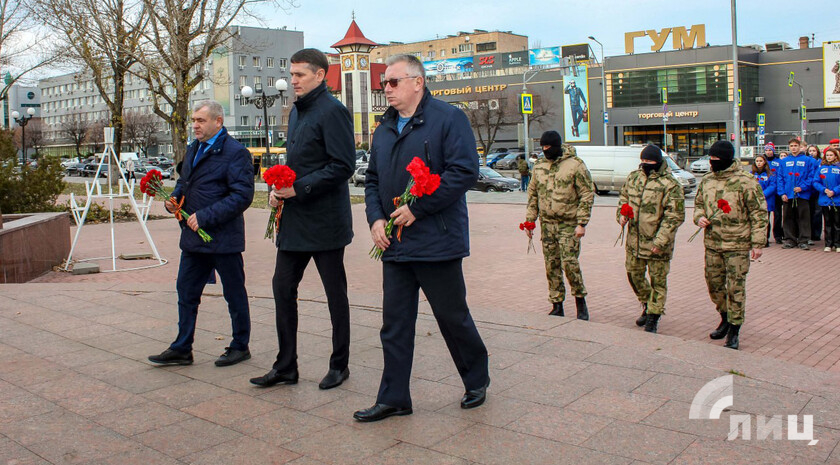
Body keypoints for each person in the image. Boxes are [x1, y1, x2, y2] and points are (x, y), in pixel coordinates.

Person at [354, 54, 489, 422]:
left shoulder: (449, 119)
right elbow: (372, 182)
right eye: (384, 83)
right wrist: (376, 219)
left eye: (394, 82)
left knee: (452, 317)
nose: (387, 89)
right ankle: (394, 397)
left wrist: (419, 208)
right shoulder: (383, 129)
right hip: (394, 245)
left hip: (437, 241)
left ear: (418, 82)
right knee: (394, 324)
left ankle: (476, 378)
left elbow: (463, 172)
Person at [249, 49, 356, 390]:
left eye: (299, 75)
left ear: (320, 75)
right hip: (295, 219)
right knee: (282, 287)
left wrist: (300, 187)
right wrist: (280, 188)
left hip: (325, 222)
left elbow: (343, 166)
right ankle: (286, 366)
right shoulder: (297, 112)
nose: (292, 80)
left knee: (334, 295)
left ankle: (340, 365)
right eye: (291, 74)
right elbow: (299, 162)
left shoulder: (334, 112)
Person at [148, 100, 255, 366]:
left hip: (223, 238)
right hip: (193, 237)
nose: (195, 125)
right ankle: (182, 347)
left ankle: (240, 346)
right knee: (186, 291)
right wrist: (173, 200)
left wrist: (206, 217)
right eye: (193, 120)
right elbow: (184, 182)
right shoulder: (193, 148)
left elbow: (243, 196)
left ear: (218, 122)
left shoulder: (235, 152)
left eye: (201, 120)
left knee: (234, 293)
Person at [694, 140, 768, 350]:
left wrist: (758, 243)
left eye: (716, 159)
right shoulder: (707, 180)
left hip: (737, 243)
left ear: (726, 159)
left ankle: (734, 329)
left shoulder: (746, 181)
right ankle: (725, 317)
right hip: (713, 242)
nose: (712, 163)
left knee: (735, 287)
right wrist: (699, 218)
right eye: (711, 159)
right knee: (714, 285)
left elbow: (759, 213)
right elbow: (699, 204)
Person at [525, 130, 594, 319]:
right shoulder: (539, 167)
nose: (545, 151)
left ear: (557, 146)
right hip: (548, 224)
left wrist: (582, 223)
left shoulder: (575, 165)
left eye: (548, 147)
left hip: (568, 224)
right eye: (543, 147)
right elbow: (533, 194)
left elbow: (586, 194)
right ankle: (557, 304)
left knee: (570, 263)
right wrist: (530, 221)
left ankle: (580, 301)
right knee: (551, 265)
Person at [618, 145, 685, 334]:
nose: (645, 165)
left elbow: (674, 216)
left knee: (658, 281)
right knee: (634, 275)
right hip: (634, 241)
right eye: (643, 161)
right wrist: (621, 215)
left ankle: (654, 316)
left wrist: (660, 241)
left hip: (657, 243)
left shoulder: (670, 184)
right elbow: (623, 199)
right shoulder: (634, 178)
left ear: (658, 162)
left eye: (649, 162)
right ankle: (647, 303)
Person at [779, 138, 816, 249]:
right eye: (791, 146)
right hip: (788, 194)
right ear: (789, 147)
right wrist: (782, 193)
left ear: (800, 147)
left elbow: (811, 177)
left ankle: (803, 240)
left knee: (804, 217)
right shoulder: (784, 161)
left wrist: (802, 187)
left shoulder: (807, 160)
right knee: (788, 217)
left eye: (796, 145)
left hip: (802, 194)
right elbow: (780, 178)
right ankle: (790, 239)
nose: (794, 148)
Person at [814, 147, 840, 252]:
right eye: (827, 155)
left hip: (837, 199)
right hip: (825, 199)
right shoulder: (821, 168)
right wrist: (824, 190)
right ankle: (828, 243)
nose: (829, 157)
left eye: (831, 155)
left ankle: (838, 244)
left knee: (837, 222)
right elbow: (815, 181)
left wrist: (834, 191)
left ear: (835, 156)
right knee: (827, 222)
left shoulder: (839, 168)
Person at [751, 155, 776, 247]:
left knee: (765, 220)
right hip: (754, 200)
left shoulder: (770, 174)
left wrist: (762, 195)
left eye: (761, 161)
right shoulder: (751, 174)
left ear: (764, 162)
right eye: (757, 161)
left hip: (766, 200)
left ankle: (765, 239)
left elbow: (772, 186)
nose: (759, 163)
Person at [763, 143, 784, 244]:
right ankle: (765, 236)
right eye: (767, 150)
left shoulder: (779, 162)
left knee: (778, 215)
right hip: (766, 193)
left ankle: (778, 235)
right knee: (765, 216)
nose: (768, 152)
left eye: (770, 150)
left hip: (776, 193)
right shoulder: (763, 161)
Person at [807, 144, 824, 243]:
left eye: (814, 151)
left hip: (818, 190)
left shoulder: (821, 162)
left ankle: (816, 234)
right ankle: (809, 233)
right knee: (809, 212)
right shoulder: (807, 161)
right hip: (809, 190)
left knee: (818, 212)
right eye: (810, 151)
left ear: (817, 152)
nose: (812, 153)